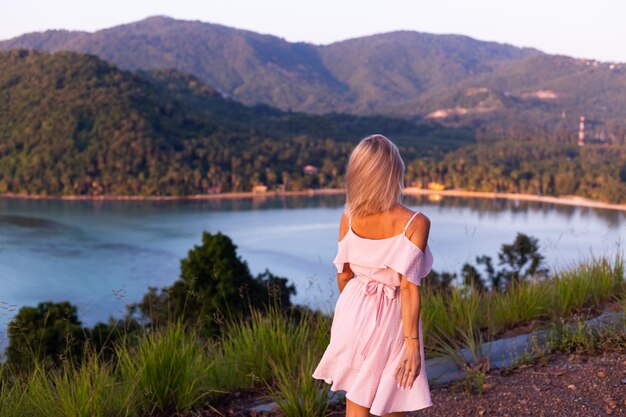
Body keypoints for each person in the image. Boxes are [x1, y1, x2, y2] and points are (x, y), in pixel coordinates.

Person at [312, 134, 434, 417]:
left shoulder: (349, 217)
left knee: (357, 398)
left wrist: (359, 313)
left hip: (352, 311)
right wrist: (412, 344)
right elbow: (408, 288)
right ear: (394, 173)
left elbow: (343, 275)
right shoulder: (416, 223)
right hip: (392, 315)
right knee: (391, 400)